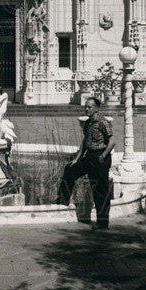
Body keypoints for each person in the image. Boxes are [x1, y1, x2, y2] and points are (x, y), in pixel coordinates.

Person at [57, 96, 116, 230]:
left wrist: (103, 156)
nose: (86, 109)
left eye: (89, 107)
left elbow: (112, 141)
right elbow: (85, 142)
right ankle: (62, 201)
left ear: (96, 108)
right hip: (89, 155)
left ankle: (102, 223)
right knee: (70, 170)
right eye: (86, 106)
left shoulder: (103, 122)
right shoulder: (88, 123)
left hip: (100, 156)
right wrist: (77, 158)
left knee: (100, 189)